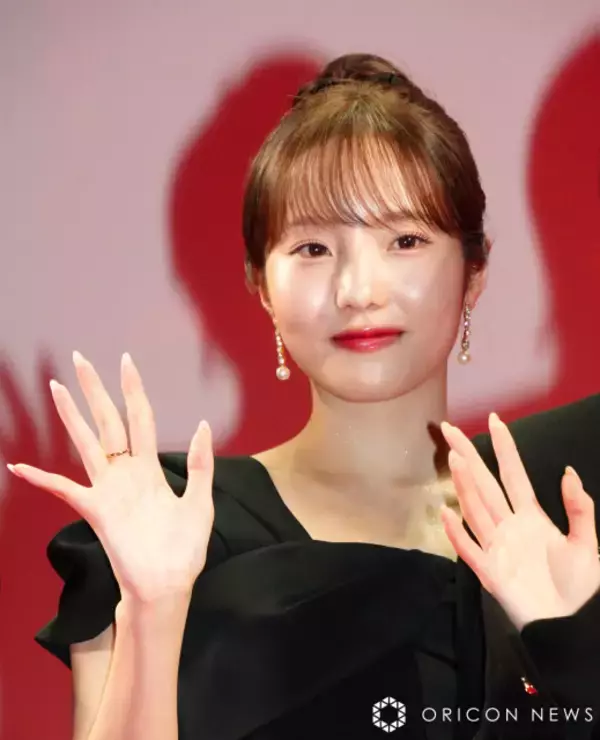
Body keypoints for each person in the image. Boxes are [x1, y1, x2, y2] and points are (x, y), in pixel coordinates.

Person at [11, 54, 600, 740]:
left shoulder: (572, 494)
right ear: (261, 286)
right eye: (314, 249)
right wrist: (153, 606)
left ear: (474, 271)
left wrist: (575, 653)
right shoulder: (166, 520)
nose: (358, 290)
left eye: (405, 240)